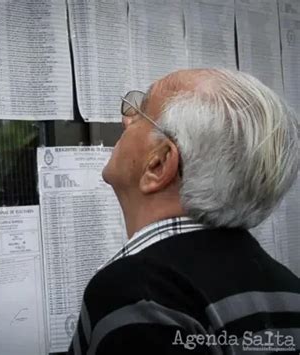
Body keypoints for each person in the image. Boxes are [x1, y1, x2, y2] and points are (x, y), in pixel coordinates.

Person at [68, 69, 300, 354]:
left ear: (158, 164)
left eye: (141, 112)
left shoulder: (139, 297)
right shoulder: (289, 290)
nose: (125, 120)